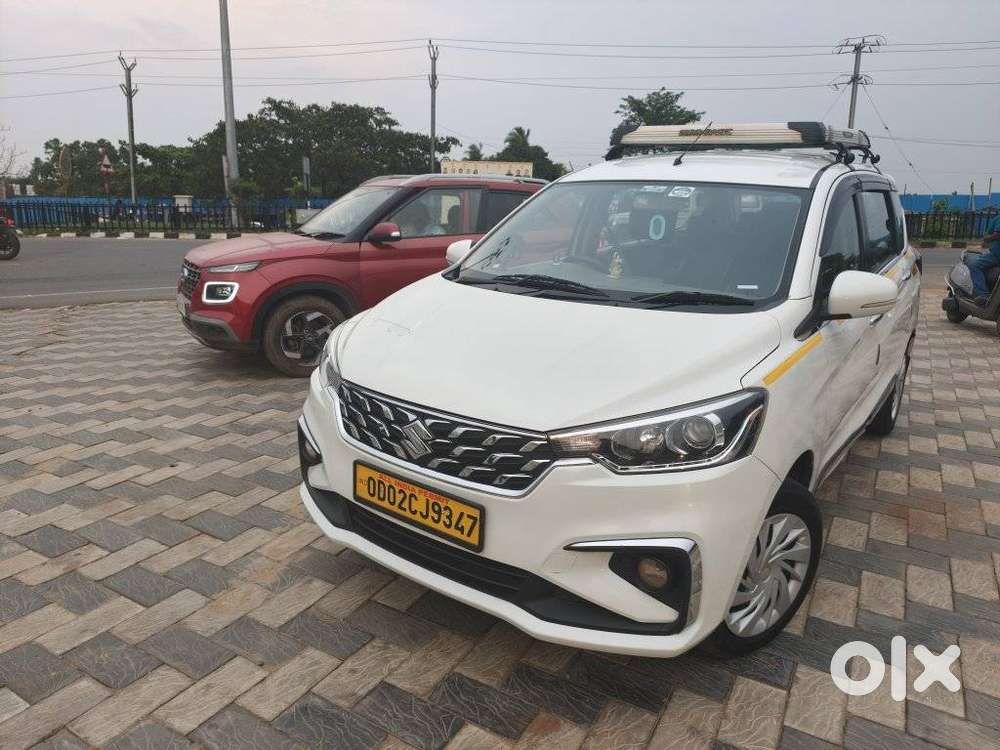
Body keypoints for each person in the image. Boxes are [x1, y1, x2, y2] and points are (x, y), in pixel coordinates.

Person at [969, 213, 1000, 305]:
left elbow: (997, 235)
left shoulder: (998, 218)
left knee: (974, 266)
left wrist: (987, 239)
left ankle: (982, 295)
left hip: (997, 256)